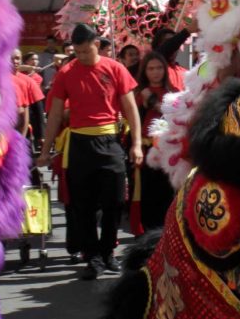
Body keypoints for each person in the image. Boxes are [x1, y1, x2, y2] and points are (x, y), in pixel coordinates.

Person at [37, 24, 143, 281]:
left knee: (115, 202)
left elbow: (131, 109)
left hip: (109, 142)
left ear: (97, 44)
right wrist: (46, 149)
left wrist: (136, 143)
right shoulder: (65, 73)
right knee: (82, 206)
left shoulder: (115, 68)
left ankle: (108, 253)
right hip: (79, 145)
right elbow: (53, 116)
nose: (81, 56)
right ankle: (92, 257)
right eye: (77, 51)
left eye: (85, 51)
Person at [131, 51, 176, 234]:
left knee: (167, 195)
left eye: (159, 68)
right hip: (146, 149)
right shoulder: (138, 93)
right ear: (145, 71)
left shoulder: (173, 93)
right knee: (147, 196)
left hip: (168, 150)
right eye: (151, 68)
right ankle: (148, 237)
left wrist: (153, 100)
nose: (155, 72)